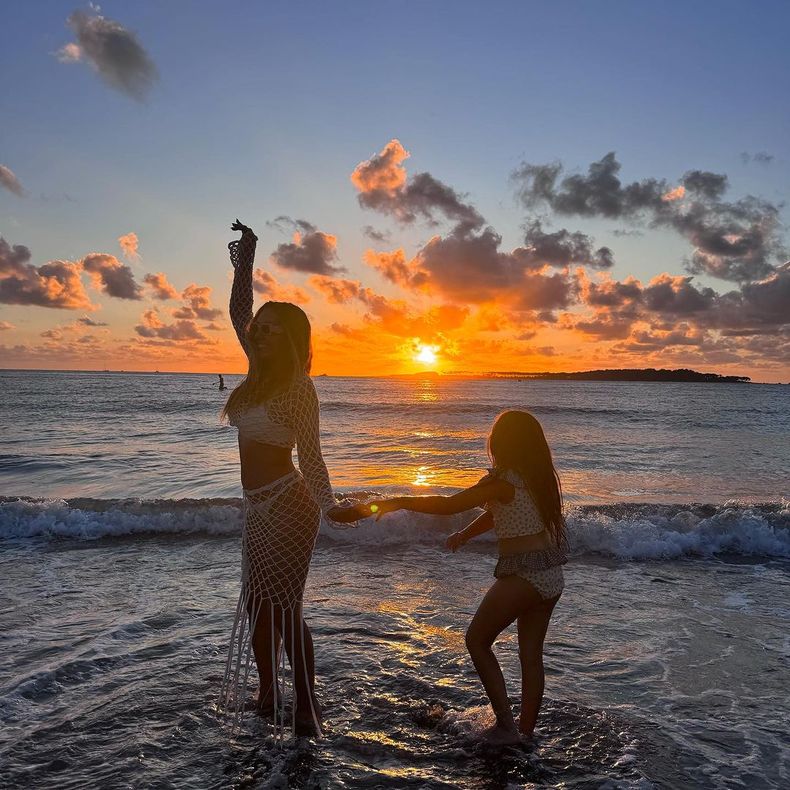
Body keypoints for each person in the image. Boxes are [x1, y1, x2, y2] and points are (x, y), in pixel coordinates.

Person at [218, 219, 360, 738]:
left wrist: (326, 507)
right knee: (259, 602)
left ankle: (306, 703)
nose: (262, 330)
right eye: (263, 325)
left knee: (283, 605)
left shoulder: (300, 389)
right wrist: (247, 258)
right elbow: (238, 311)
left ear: (294, 338)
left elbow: (313, 457)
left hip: (290, 505)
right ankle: (266, 690)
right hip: (257, 507)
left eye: (275, 327)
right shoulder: (256, 369)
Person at [367, 410, 567, 745]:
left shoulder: (502, 482)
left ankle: (505, 725)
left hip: (523, 575)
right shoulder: (535, 479)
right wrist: (464, 534)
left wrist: (397, 501)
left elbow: (448, 504)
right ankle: (526, 733)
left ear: (500, 444)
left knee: (476, 640)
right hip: (550, 576)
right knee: (531, 656)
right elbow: (499, 514)